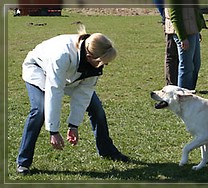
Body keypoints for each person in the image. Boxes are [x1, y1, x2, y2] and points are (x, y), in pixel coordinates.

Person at [16, 24, 129, 175]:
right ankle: (23, 162)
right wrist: (53, 131)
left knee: (97, 108)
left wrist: (73, 125)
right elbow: (54, 91)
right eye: (103, 62)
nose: (105, 65)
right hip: (38, 70)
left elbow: (84, 94)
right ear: (90, 57)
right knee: (39, 110)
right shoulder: (62, 55)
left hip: (70, 77)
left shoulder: (94, 62)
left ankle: (107, 150)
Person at [164, 0, 207, 90]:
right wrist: (182, 37)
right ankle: (183, 94)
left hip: (193, 31)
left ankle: (190, 91)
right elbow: (174, 16)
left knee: (196, 64)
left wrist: (197, 29)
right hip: (183, 33)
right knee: (186, 66)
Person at [154, 0, 179, 86]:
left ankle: (179, 83)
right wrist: (165, 15)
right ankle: (172, 84)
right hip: (171, 22)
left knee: (179, 56)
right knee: (172, 55)